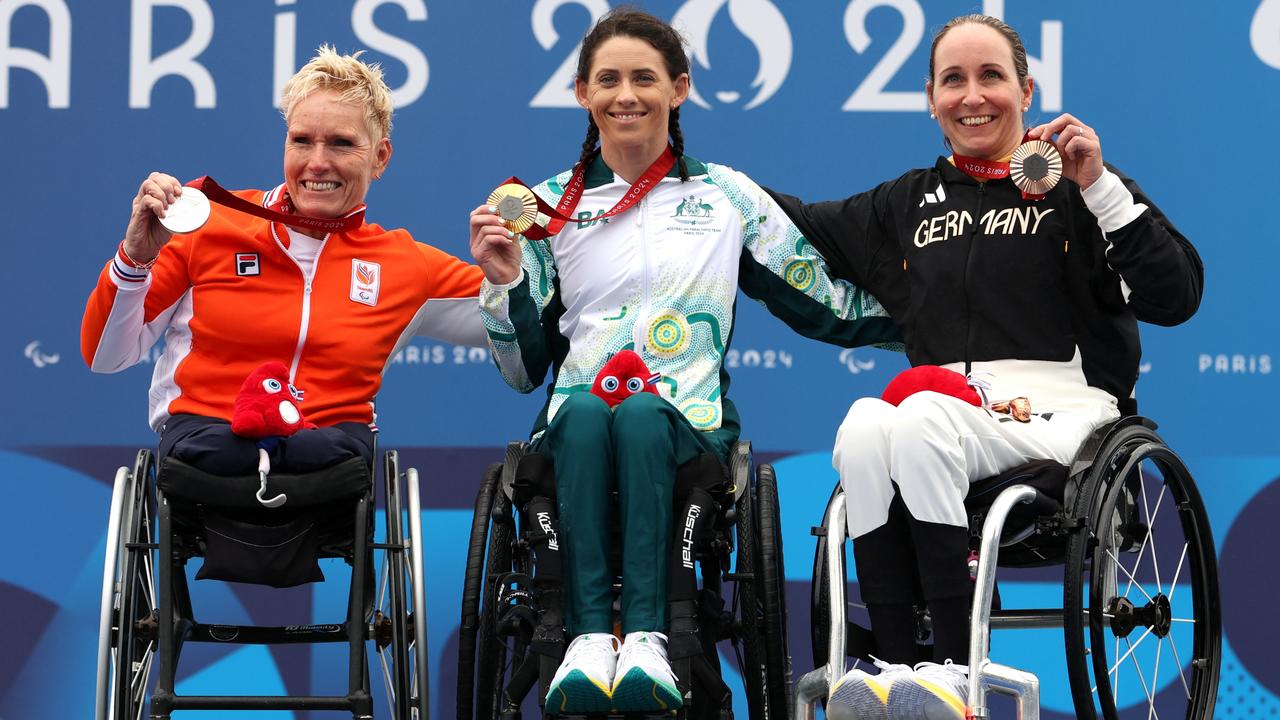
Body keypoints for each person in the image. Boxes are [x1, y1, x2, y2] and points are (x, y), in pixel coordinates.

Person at [768, 14, 1203, 719]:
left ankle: (951, 665)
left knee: (919, 419)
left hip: (1068, 416)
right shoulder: (901, 205)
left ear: (1025, 90)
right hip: (943, 415)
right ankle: (895, 668)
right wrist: (702, 186)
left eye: (991, 76)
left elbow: (1177, 293)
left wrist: (1098, 186)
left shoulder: (1078, 188)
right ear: (932, 99)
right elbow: (781, 223)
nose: (973, 96)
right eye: (954, 80)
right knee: (865, 423)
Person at [468, 7, 900, 713]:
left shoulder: (726, 198)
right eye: (607, 80)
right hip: (574, 430)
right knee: (579, 409)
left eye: (644, 77)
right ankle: (586, 644)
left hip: (688, 429)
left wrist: (940, 331)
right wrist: (506, 279)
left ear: (680, 88)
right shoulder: (545, 210)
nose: (626, 94)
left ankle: (646, 639)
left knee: (639, 414)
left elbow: (822, 300)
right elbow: (523, 372)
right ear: (583, 94)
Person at [81, 46, 485, 476]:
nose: (317, 162)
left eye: (341, 144)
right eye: (302, 140)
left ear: (380, 157)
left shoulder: (405, 265)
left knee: (330, 456)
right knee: (222, 453)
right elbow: (108, 356)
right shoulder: (206, 224)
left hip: (327, 463)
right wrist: (135, 259)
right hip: (207, 449)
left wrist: (506, 271)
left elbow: (519, 319)